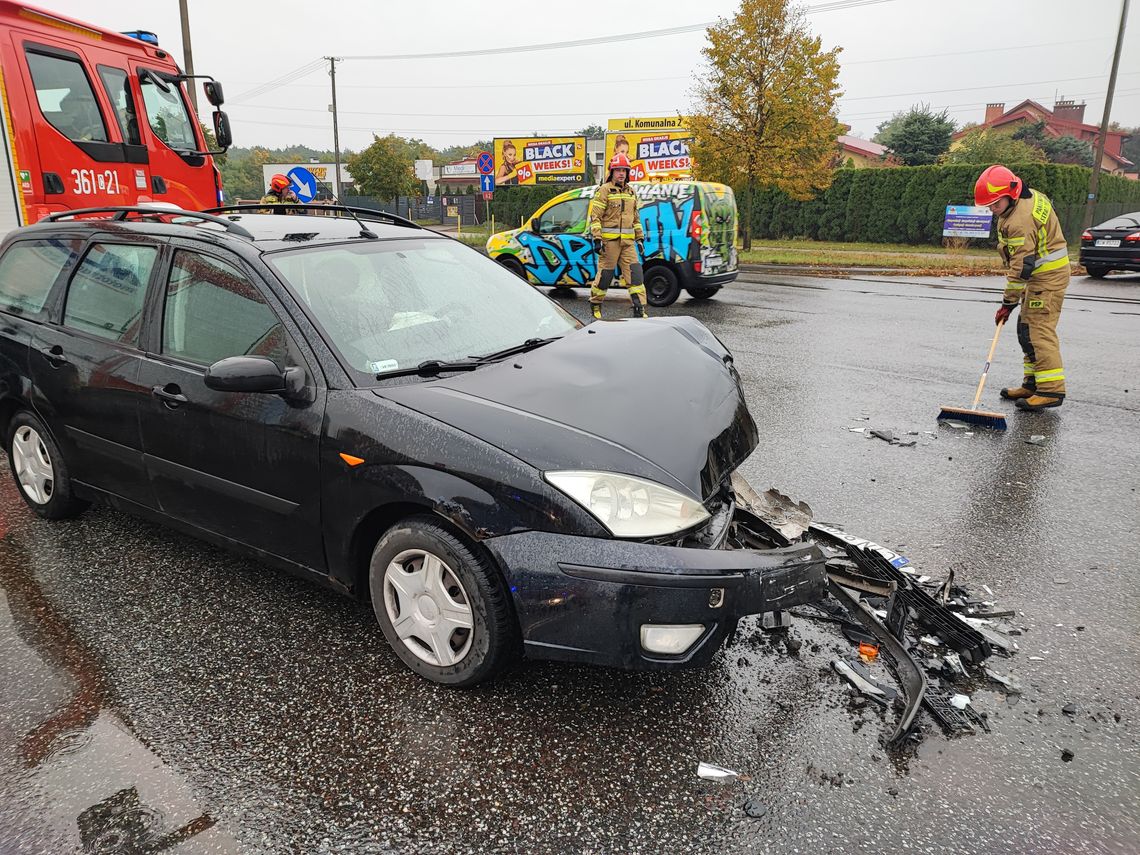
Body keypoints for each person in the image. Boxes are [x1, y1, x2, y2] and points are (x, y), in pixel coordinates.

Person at [974, 165, 1070, 411]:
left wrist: (1008, 303)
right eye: (989, 206)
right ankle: (1032, 384)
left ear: (1012, 193)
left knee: (1038, 331)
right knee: (1025, 329)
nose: (992, 210)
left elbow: (1020, 268)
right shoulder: (1025, 199)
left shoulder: (1020, 220)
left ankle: (1050, 390)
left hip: (1046, 278)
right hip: (1038, 276)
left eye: (995, 204)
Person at [587, 153, 646, 320]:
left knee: (636, 275)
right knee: (605, 276)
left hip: (628, 244)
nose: (621, 173)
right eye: (618, 170)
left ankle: (639, 309)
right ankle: (596, 304)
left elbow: (636, 219)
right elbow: (595, 217)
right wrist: (598, 239)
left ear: (628, 173)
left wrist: (639, 239)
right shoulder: (604, 190)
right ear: (611, 172)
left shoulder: (631, 192)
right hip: (609, 243)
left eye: (624, 170)